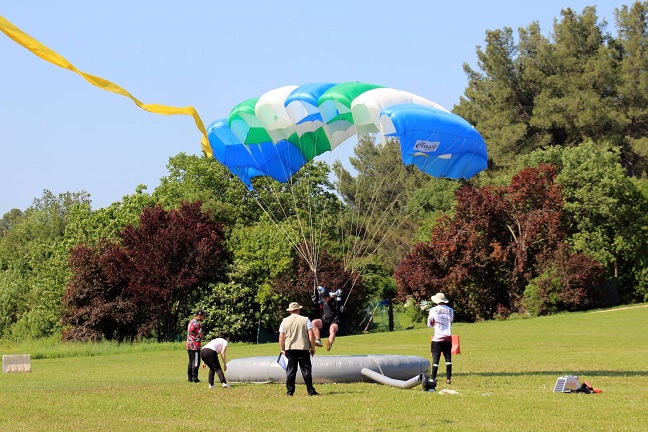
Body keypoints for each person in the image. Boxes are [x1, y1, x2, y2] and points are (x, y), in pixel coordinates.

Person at [279, 301, 319, 396]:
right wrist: (312, 347)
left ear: (290, 311)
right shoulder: (305, 320)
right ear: (298, 309)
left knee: (291, 371)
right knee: (306, 370)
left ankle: (290, 392)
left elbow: (281, 336)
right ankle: (310, 391)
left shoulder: (284, 321)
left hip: (290, 348)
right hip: (303, 348)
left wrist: (282, 348)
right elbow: (311, 333)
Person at [427, 292, 454, 385]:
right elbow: (451, 321)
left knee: (435, 359)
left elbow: (430, 323)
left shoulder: (433, 310)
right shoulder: (450, 310)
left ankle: (433, 378)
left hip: (437, 338)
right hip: (448, 337)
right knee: (448, 359)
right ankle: (448, 379)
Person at [312, 286, 343, 351]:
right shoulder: (323, 300)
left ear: (328, 296)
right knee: (314, 322)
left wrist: (341, 307)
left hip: (335, 320)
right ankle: (318, 340)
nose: (324, 299)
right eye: (323, 298)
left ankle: (329, 343)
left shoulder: (334, 300)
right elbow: (318, 305)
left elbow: (339, 301)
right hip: (325, 319)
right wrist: (315, 301)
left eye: (325, 298)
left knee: (332, 329)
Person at [186, 308, 205, 383]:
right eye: (203, 316)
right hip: (195, 345)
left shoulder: (191, 322)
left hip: (189, 344)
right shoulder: (197, 324)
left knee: (191, 361)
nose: (204, 318)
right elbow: (201, 335)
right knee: (196, 362)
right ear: (199, 316)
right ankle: (195, 378)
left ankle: (190, 378)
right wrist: (202, 336)